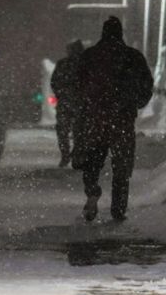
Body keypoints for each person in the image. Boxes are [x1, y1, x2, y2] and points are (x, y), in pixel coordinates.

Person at [73, 16, 152, 222]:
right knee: (121, 167)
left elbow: (77, 85)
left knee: (92, 160)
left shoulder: (89, 56)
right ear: (120, 33)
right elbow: (146, 85)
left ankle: (92, 191)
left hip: (95, 118)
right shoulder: (133, 57)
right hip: (122, 120)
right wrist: (134, 103)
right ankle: (118, 209)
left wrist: (87, 106)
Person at [50, 39, 84, 167]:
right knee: (79, 132)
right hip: (81, 104)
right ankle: (76, 155)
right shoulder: (87, 64)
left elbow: (54, 82)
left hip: (66, 102)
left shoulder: (63, 64)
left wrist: (61, 94)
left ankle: (66, 155)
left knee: (63, 131)